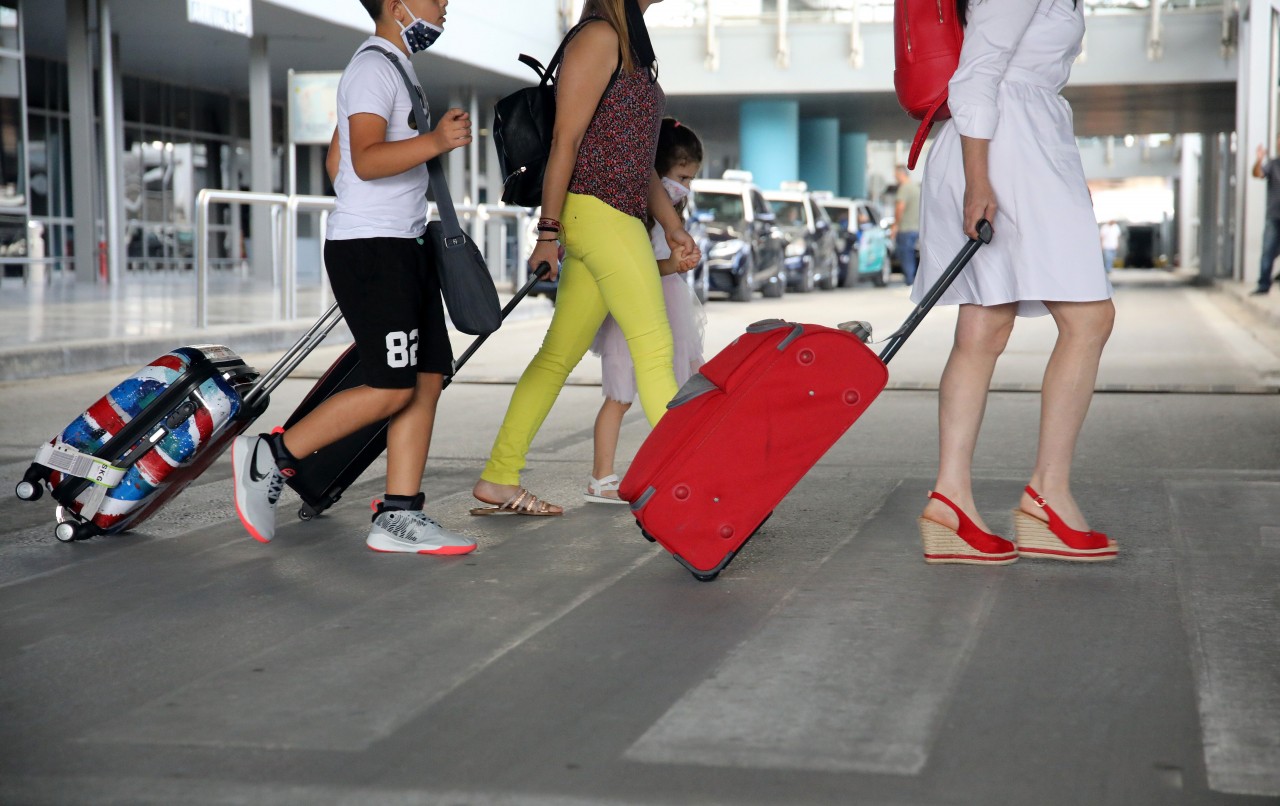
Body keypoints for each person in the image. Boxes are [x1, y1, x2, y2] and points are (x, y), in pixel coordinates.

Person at [231, 0, 479, 555]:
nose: (446, 4)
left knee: (427, 377)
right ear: (395, 6)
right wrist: (436, 141)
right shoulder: (372, 67)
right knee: (391, 385)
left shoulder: (393, 66)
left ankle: (399, 516)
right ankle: (271, 455)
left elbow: (336, 163)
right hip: (373, 249)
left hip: (403, 243)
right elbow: (364, 160)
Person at [470, 0, 699, 516]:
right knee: (655, 349)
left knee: (557, 356)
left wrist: (672, 225)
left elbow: (637, 161)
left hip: (614, 212)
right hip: (598, 212)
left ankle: (499, 477)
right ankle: (696, 487)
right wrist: (547, 232)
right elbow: (565, 141)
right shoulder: (598, 38)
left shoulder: (630, 45)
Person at [912, 0, 1117, 565]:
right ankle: (1047, 495)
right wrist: (978, 181)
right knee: (1089, 317)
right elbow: (978, 71)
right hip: (1005, 148)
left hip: (1019, 141)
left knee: (984, 327)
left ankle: (951, 502)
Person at [586, 118, 705, 503]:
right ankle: (601, 477)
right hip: (633, 307)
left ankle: (677, 469)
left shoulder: (671, 215)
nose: (685, 187)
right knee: (620, 395)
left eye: (690, 180)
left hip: (669, 305)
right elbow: (637, 270)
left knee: (676, 388)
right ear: (656, 171)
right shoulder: (637, 215)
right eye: (682, 177)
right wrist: (673, 265)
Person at [1250, 138, 1280, 295]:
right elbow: (1257, 173)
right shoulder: (1272, 165)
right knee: (1268, 250)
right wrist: (1259, 160)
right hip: (1274, 216)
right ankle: (1263, 284)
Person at [893, 164, 921, 285]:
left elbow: (900, 207)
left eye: (896, 176)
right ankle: (916, 280)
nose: (895, 179)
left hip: (905, 228)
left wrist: (895, 225)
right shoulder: (916, 188)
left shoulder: (904, 188)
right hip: (917, 228)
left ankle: (910, 280)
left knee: (906, 255)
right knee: (916, 255)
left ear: (901, 174)